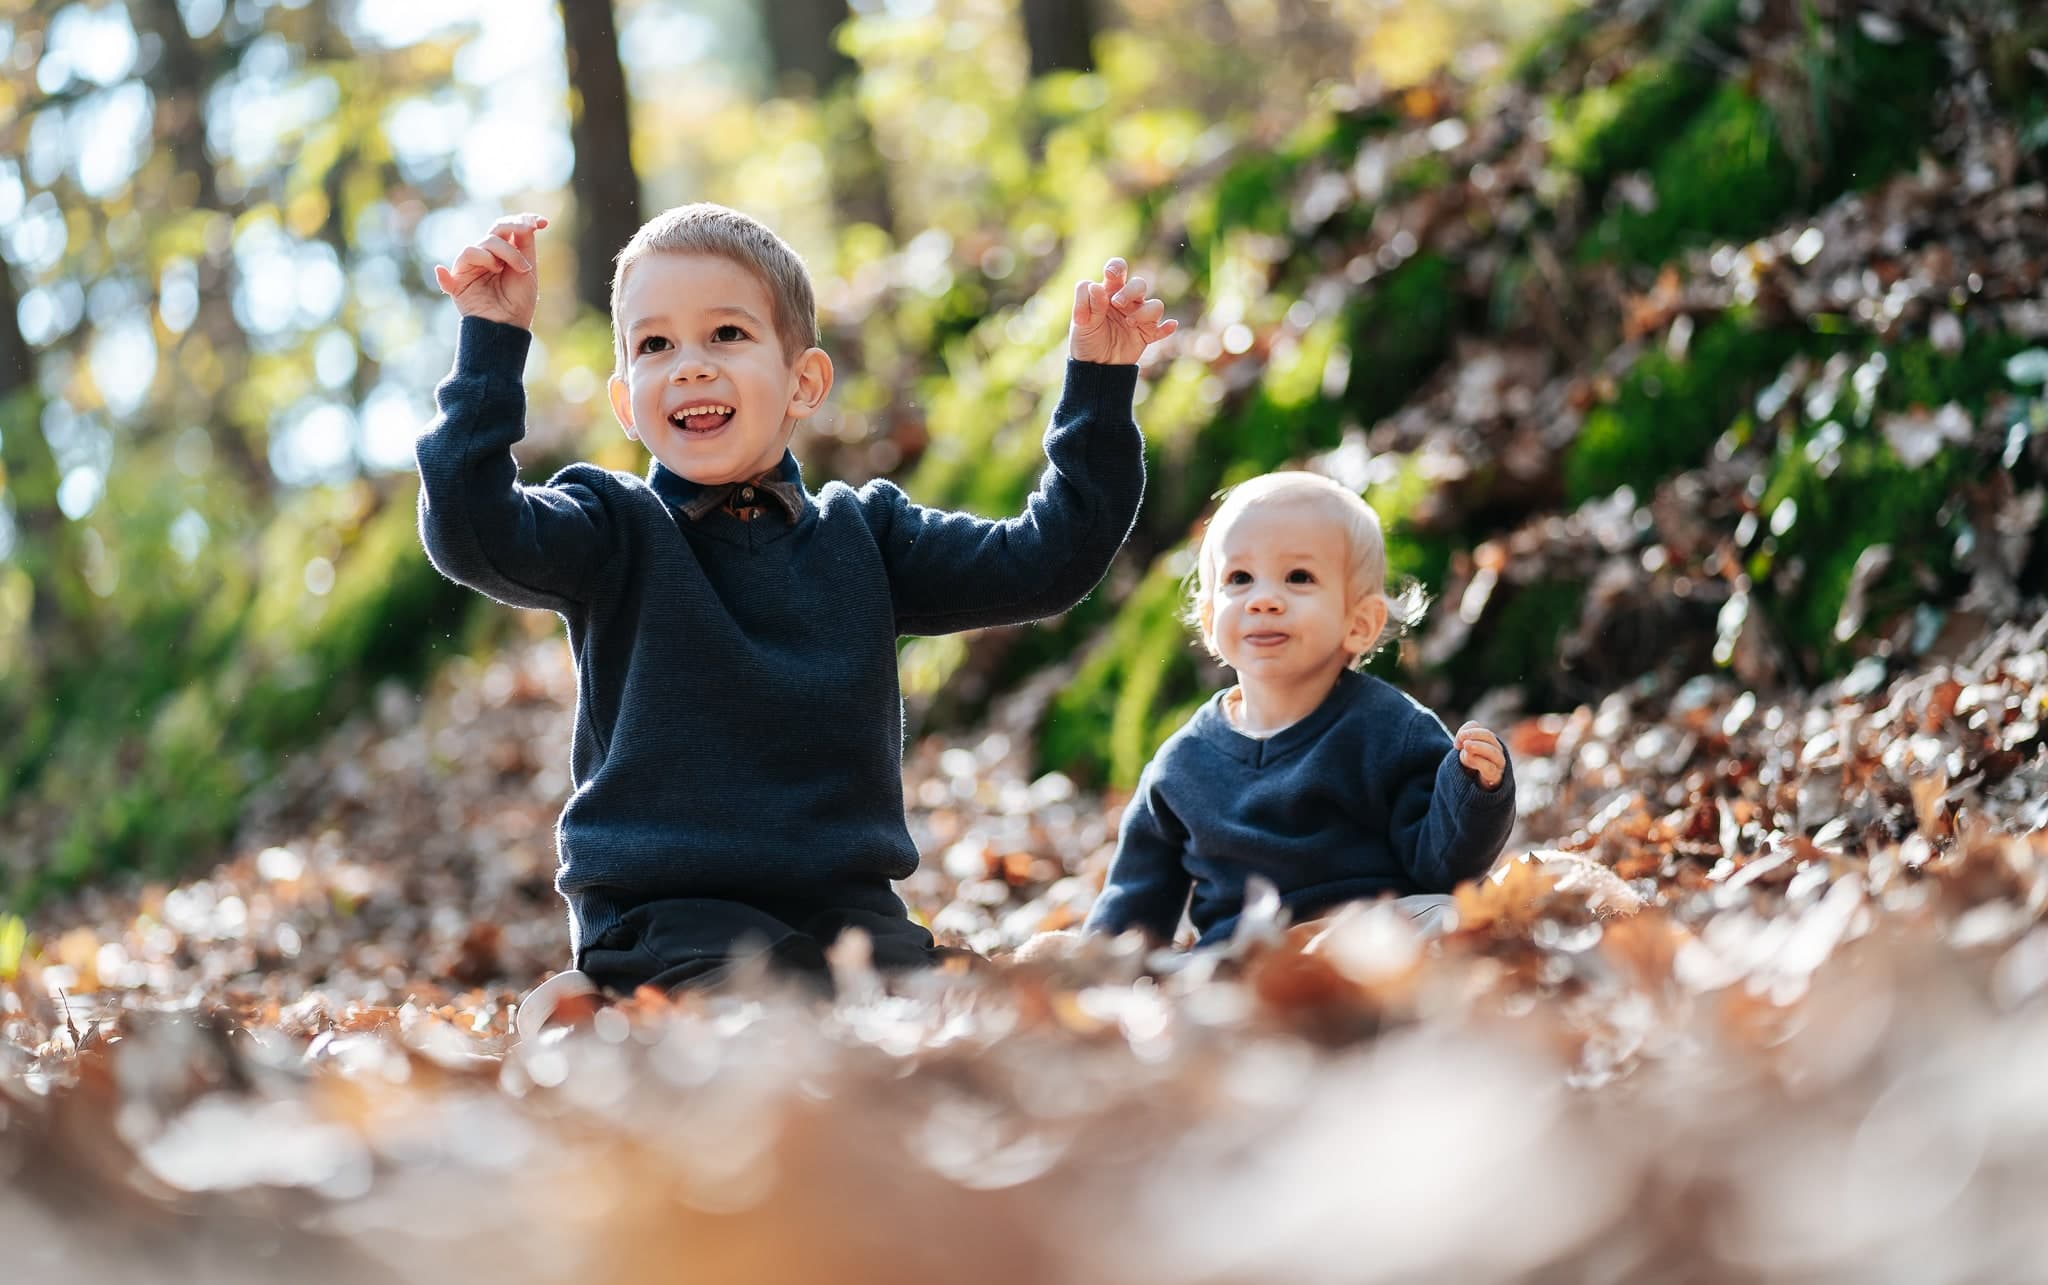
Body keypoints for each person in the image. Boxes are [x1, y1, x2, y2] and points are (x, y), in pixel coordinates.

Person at [415, 205, 1173, 1014]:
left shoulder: (868, 536)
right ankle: (586, 1003)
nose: (691, 367)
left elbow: (1048, 560)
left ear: (803, 382)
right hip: (671, 918)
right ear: (627, 403)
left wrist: (1099, 384)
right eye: (655, 345)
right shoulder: (613, 528)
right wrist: (492, 344)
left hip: (849, 913)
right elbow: (473, 531)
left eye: (727, 335)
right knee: (764, 1019)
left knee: (961, 1013)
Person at [1083, 471, 1513, 948]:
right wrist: (1099, 967)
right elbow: (1133, 903)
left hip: (1365, 939)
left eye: (1298, 577)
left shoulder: (1392, 729)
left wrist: (1474, 790)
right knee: (1169, 979)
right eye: (1239, 578)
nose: (1264, 599)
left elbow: (1442, 865)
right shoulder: (1180, 767)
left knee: (1449, 914)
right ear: (1209, 621)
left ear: (1359, 622)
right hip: (1238, 962)